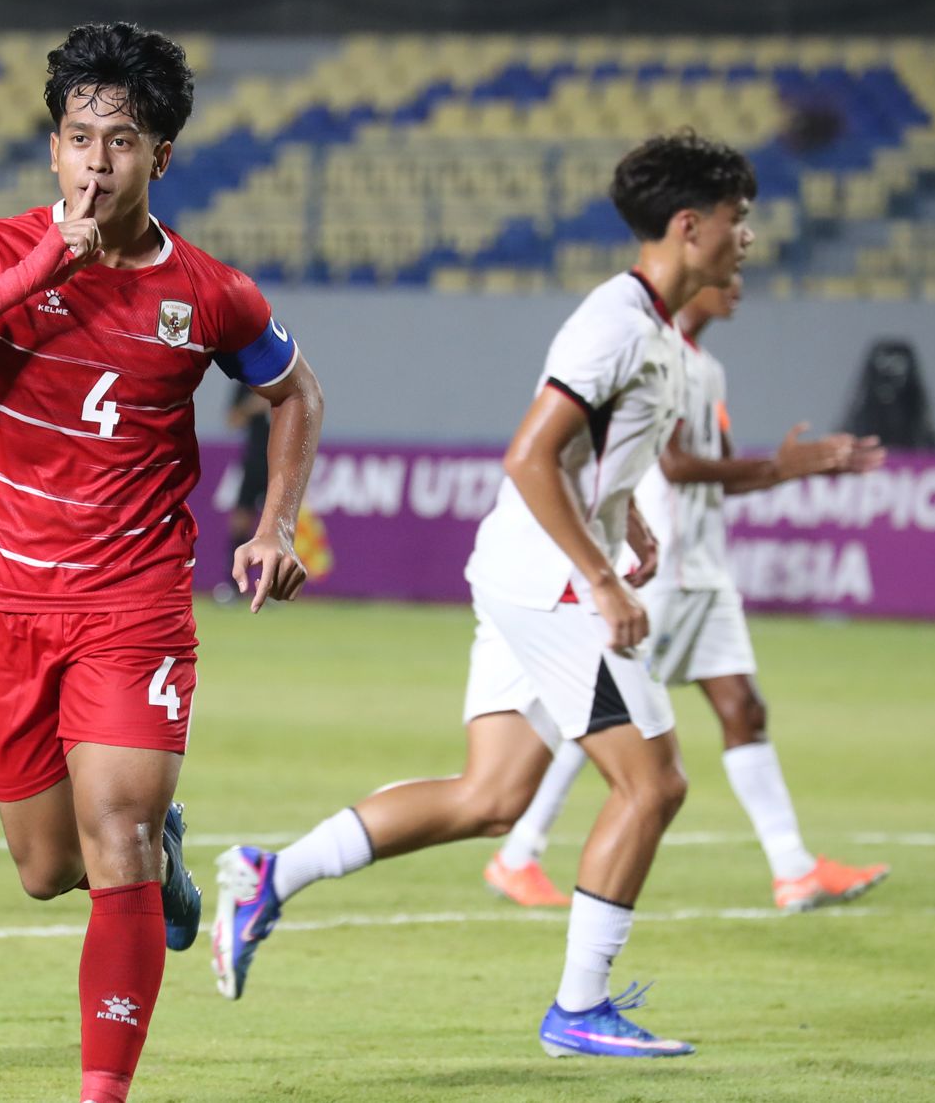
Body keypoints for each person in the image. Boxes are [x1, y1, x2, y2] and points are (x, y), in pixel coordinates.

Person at [0, 22, 324, 1103]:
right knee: (44, 869)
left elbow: (295, 391)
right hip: (6, 601)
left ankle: (101, 1091)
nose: (95, 162)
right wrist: (28, 274)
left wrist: (271, 523)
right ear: (52, 149)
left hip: (134, 601)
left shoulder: (209, 293)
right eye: (77, 138)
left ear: (162, 156)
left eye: (120, 141)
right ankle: (161, 856)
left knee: (111, 830)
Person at [213, 129, 756, 1060]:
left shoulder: (651, 328)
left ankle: (272, 874)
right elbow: (529, 454)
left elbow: (584, 456)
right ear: (689, 224)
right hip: (551, 583)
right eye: (738, 223)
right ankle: (579, 1010)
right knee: (653, 782)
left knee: (491, 797)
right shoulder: (616, 323)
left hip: (525, 568)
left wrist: (624, 519)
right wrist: (598, 574)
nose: (747, 239)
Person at [484, 274, 891, 912]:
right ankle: (517, 853)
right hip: (662, 568)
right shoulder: (649, 348)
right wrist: (784, 466)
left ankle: (794, 870)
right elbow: (672, 466)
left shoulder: (708, 369)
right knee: (605, 713)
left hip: (707, 567)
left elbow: (720, 474)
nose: (737, 286)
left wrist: (791, 469)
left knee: (743, 709)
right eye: (724, 277)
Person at [214, 385, 271, 602]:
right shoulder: (247, 383)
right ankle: (233, 586)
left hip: (281, 465)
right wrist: (253, 406)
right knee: (240, 523)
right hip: (255, 461)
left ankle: (274, 588)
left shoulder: (288, 377)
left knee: (276, 526)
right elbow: (232, 421)